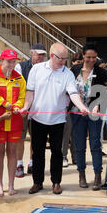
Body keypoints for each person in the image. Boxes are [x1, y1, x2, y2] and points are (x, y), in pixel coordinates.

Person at [20, 43, 89, 195]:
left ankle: (56, 182)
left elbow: (73, 94)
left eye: (66, 59)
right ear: (52, 56)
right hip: (37, 118)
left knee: (57, 152)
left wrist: (81, 106)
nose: (64, 62)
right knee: (37, 152)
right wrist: (26, 107)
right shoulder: (36, 70)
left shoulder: (67, 74)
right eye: (61, 59)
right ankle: (37, 182)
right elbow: (30, 92)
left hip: (58, 120)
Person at [0, 49, 26, 197]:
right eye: (9, 61)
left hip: (14, 121)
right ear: (2, 61)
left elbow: (22, 97)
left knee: (12, 152)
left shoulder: (19, 78)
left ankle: (12, 185)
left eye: (14, 61)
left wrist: (18, 106)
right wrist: (2, 102)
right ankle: (0, 186)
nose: (12, 64)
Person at [70, 43, 107, 191]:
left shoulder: (100, 72)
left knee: (95, 144)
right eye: (88, 57)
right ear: (83, 56)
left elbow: (106, 92)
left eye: (94, 57)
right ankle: (81, 175)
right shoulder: (73, 70)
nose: (91, 60)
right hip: (76, 113)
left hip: (94, 113)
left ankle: (97, 176)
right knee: (79, 145)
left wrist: (99, 104)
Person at [14, 43, 47, 177]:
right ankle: (19, 164)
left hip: (39, 109)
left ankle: (32, 163)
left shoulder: (46, 69)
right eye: (38, 54)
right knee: (20, 137)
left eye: (43, 55)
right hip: (23, 108)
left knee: (36, 138)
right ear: (31, 53)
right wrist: (22, 106)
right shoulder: (20, 67)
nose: (40, 57)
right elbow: (17, 88)